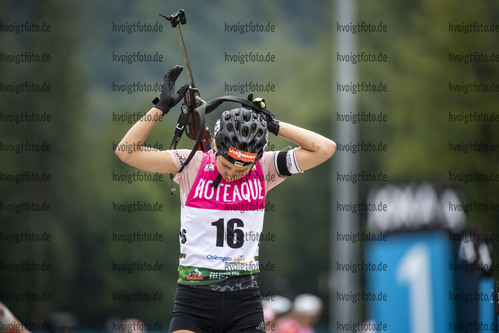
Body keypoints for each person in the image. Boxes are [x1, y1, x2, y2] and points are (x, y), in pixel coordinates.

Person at [115, 66, 336, 333]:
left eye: (241, 170)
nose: (232, 174)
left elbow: (325, 148)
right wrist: (160, 107)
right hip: (194, 297)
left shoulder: (264, 168)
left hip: (244, 300)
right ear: (216, 147)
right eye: (226, 166)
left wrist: (272, 124)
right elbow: (126, 152)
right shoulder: (191, 163)